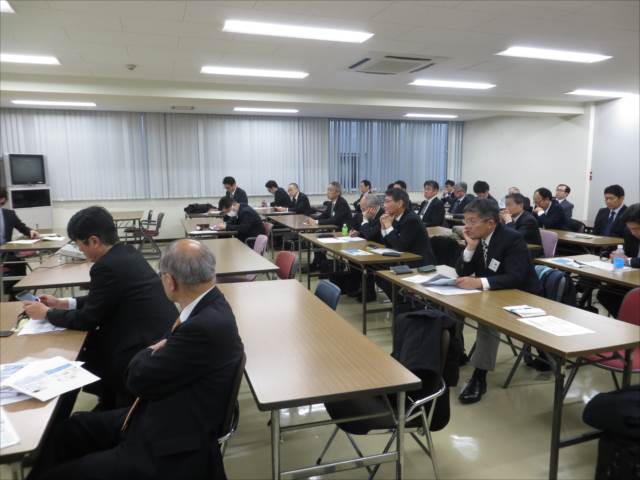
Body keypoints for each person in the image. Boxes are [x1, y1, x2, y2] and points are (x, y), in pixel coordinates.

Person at [27, 239, 245, 480]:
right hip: (160, 415)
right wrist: (158, 348)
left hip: (165, 444)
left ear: (169, 281)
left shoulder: (202, 326)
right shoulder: (210, 305)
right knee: (69, 430)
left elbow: (137, 380)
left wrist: (150, 349)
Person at [23, 206, 177, 410]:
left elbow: (87, 319)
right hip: (159, 337)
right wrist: (62, 303)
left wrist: (48, 314)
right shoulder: (127, 252)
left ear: (94, 241)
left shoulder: (105, 267)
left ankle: (104, 405)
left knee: (79, 354)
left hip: (140, 348)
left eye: (80, 246)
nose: (80, 251)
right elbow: (104, 298)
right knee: (87, 346)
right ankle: (109, 399)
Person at [455, 199, 542, 404]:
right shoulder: (478, 238)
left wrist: (479, 282)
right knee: (451, 308)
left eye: (472, 221)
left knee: (488, 320)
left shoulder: (512, 239)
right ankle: (456, 355)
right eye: (466, 221)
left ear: (490, 223)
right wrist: (470, 248)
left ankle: (479, 377)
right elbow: (462, 270)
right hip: (493, 293)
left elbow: (515, 277)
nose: (467, 226)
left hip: (521, 296)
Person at [375, 188, 436, 301]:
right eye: (384, 202)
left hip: (418, 263)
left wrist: (388, 226)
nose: (384, 205)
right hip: (404, 259)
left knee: (381, 274)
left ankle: (404, 303)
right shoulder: (396, 216)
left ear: (399, 203)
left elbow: (400, 246)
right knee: (376, 270)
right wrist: (383, 227)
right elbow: (388, 244)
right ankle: (400, 302)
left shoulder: (411, 219)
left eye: (388, 202)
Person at [597, 203, 640, 316]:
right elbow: (626, 254)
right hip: (633, 278)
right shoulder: (629, 233)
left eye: (636, 229)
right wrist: (617, 256)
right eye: (630, 229)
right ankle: (625, 321)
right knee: (606, 293)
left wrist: (628, 260)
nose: (633, 233)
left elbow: (629, 259)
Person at [0, 186, 40, 296]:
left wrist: (30, 231)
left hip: (6, 253)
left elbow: (22, 227)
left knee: (19, 263)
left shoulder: (9, 214)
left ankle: (16, 295)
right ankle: (11, 293)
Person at [305, 182, 352, 271]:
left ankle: (320, 264)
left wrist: (316, 221)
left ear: (338, 192)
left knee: (319, 237)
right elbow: (324, 215)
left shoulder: (342, 203)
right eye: (327, 190)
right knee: (317, 237)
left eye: (330, 190)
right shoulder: (331, 203)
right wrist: (312, 219)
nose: (327, 192)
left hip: (343, 233)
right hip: (333, 230)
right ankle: (320, 263)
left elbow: (335, 220)